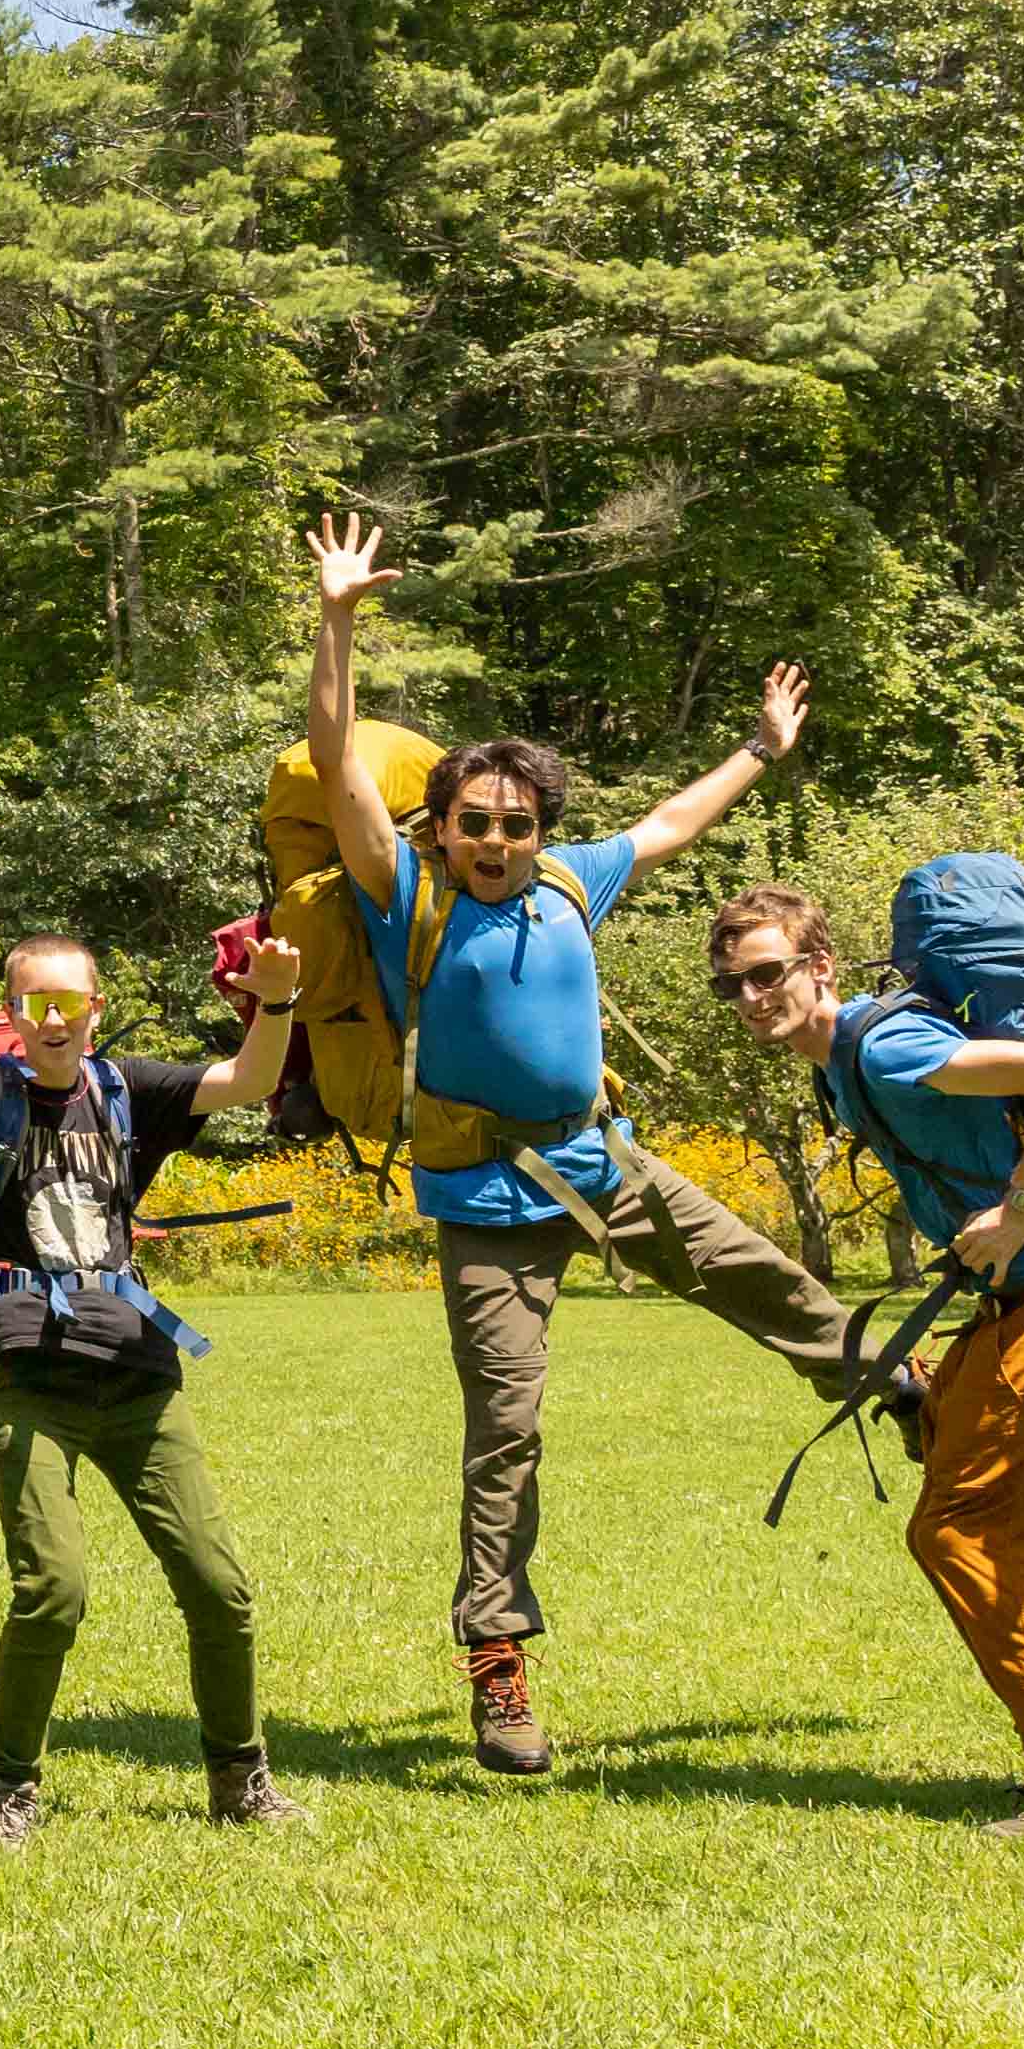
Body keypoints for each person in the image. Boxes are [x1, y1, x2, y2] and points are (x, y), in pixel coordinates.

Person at [304, 510, 864, 1779]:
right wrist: (338, 619)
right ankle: (498, 1662)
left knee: (764, 1276)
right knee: (506, 1430)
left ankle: (898, 1390)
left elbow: (670, 821)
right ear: (441, 826)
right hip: (482, 1200)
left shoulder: (572, 882)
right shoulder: (408, 894)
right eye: (473, 820)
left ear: (542, 829)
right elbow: (336, 758)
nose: (495, 840)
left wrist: (760, 749)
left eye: (515, 822)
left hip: (602, 1163)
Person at [0, 923, 312, 1845]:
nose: (54, 1020)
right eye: (35, 1003)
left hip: (137, 1377)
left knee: (217, 1587)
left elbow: (248, 1080)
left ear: (95, 1006)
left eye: (70, 1002)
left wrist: (278, 999)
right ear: (12, 1012)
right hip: (27, 1378)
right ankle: (7, 1787)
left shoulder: (130, 1089)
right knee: (52, 1589)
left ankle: (239, 1778)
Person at [711, 884, 1024, 1834]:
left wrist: (1018, 1211)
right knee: (1013, 1531)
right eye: (733, 985)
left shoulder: (884, 1048)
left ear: (819, 966)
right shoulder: (840, 1066)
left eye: (767, 973)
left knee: (958, 1533)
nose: (751, 997)